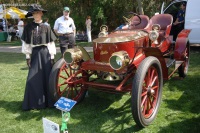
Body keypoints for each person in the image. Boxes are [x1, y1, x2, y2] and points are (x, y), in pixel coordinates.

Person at [21, 4, 57, 111]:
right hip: (35, 54)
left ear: (41, 13)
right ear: (32, 14)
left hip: (45, 53)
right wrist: (28, 57)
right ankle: (34, 103)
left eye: (38, 12)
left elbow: (51, 43)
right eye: (34, 13)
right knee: (32, 79)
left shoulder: (47, 27)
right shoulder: (28, 27)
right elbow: (25, 44)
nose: (36, 14)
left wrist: (52, 56)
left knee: (47, 78)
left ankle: (49, 102)